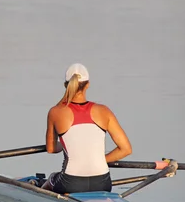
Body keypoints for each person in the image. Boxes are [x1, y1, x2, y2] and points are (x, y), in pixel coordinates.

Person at [42, 63, 132, 194]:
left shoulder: (55, 112)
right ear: (88, 84)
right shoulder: (104, 111)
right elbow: (126, 149)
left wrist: (66, 144)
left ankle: (41, 200)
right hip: (103, 183)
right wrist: (98, 159)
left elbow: (51, 149)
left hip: (71, 183)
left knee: (51, 178)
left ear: (65, 85)